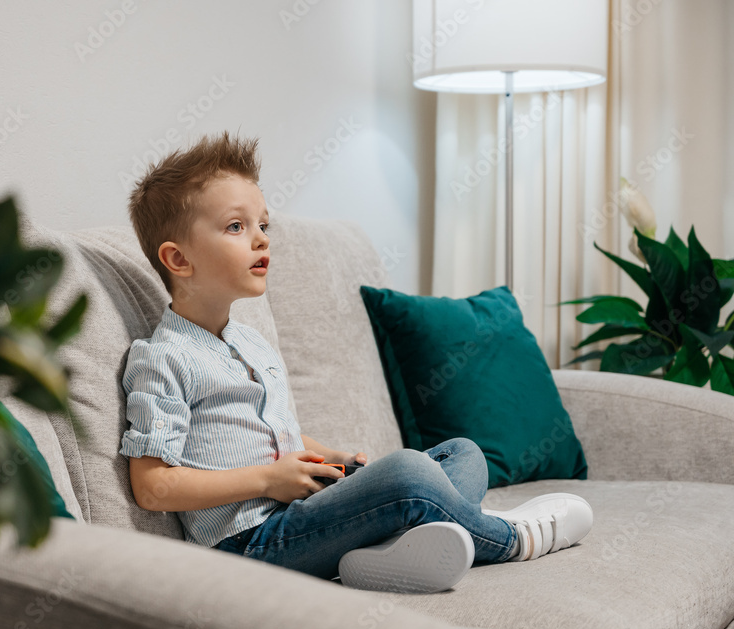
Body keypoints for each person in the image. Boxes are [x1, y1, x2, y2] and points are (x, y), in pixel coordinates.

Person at [118, 131, 593, 593]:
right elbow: (153, 486)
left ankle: (392, 548)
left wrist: (335, 459)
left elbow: (277, 431)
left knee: (463, 455)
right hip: (247, 545)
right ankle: (509, 538)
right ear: (178, 260)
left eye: (264, 225)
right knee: (409, 473)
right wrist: (269, 479)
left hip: (304, 513)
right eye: (237, 226)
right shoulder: (163, 360)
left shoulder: (249, 341)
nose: (262, 239)